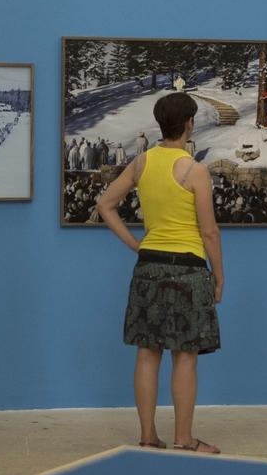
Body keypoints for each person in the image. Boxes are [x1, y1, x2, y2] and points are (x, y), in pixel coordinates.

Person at [96, 92, 224, 454]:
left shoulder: (141, 164)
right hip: (188, 270)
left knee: (147, 353)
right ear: (189, 124)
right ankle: (184, 438)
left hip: (149, 267)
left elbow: (105, 205)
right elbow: (209, 232)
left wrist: (138, 245)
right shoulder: (194, 171)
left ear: (159, 124)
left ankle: (148, 435)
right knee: (185, 355)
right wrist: (219, 275)